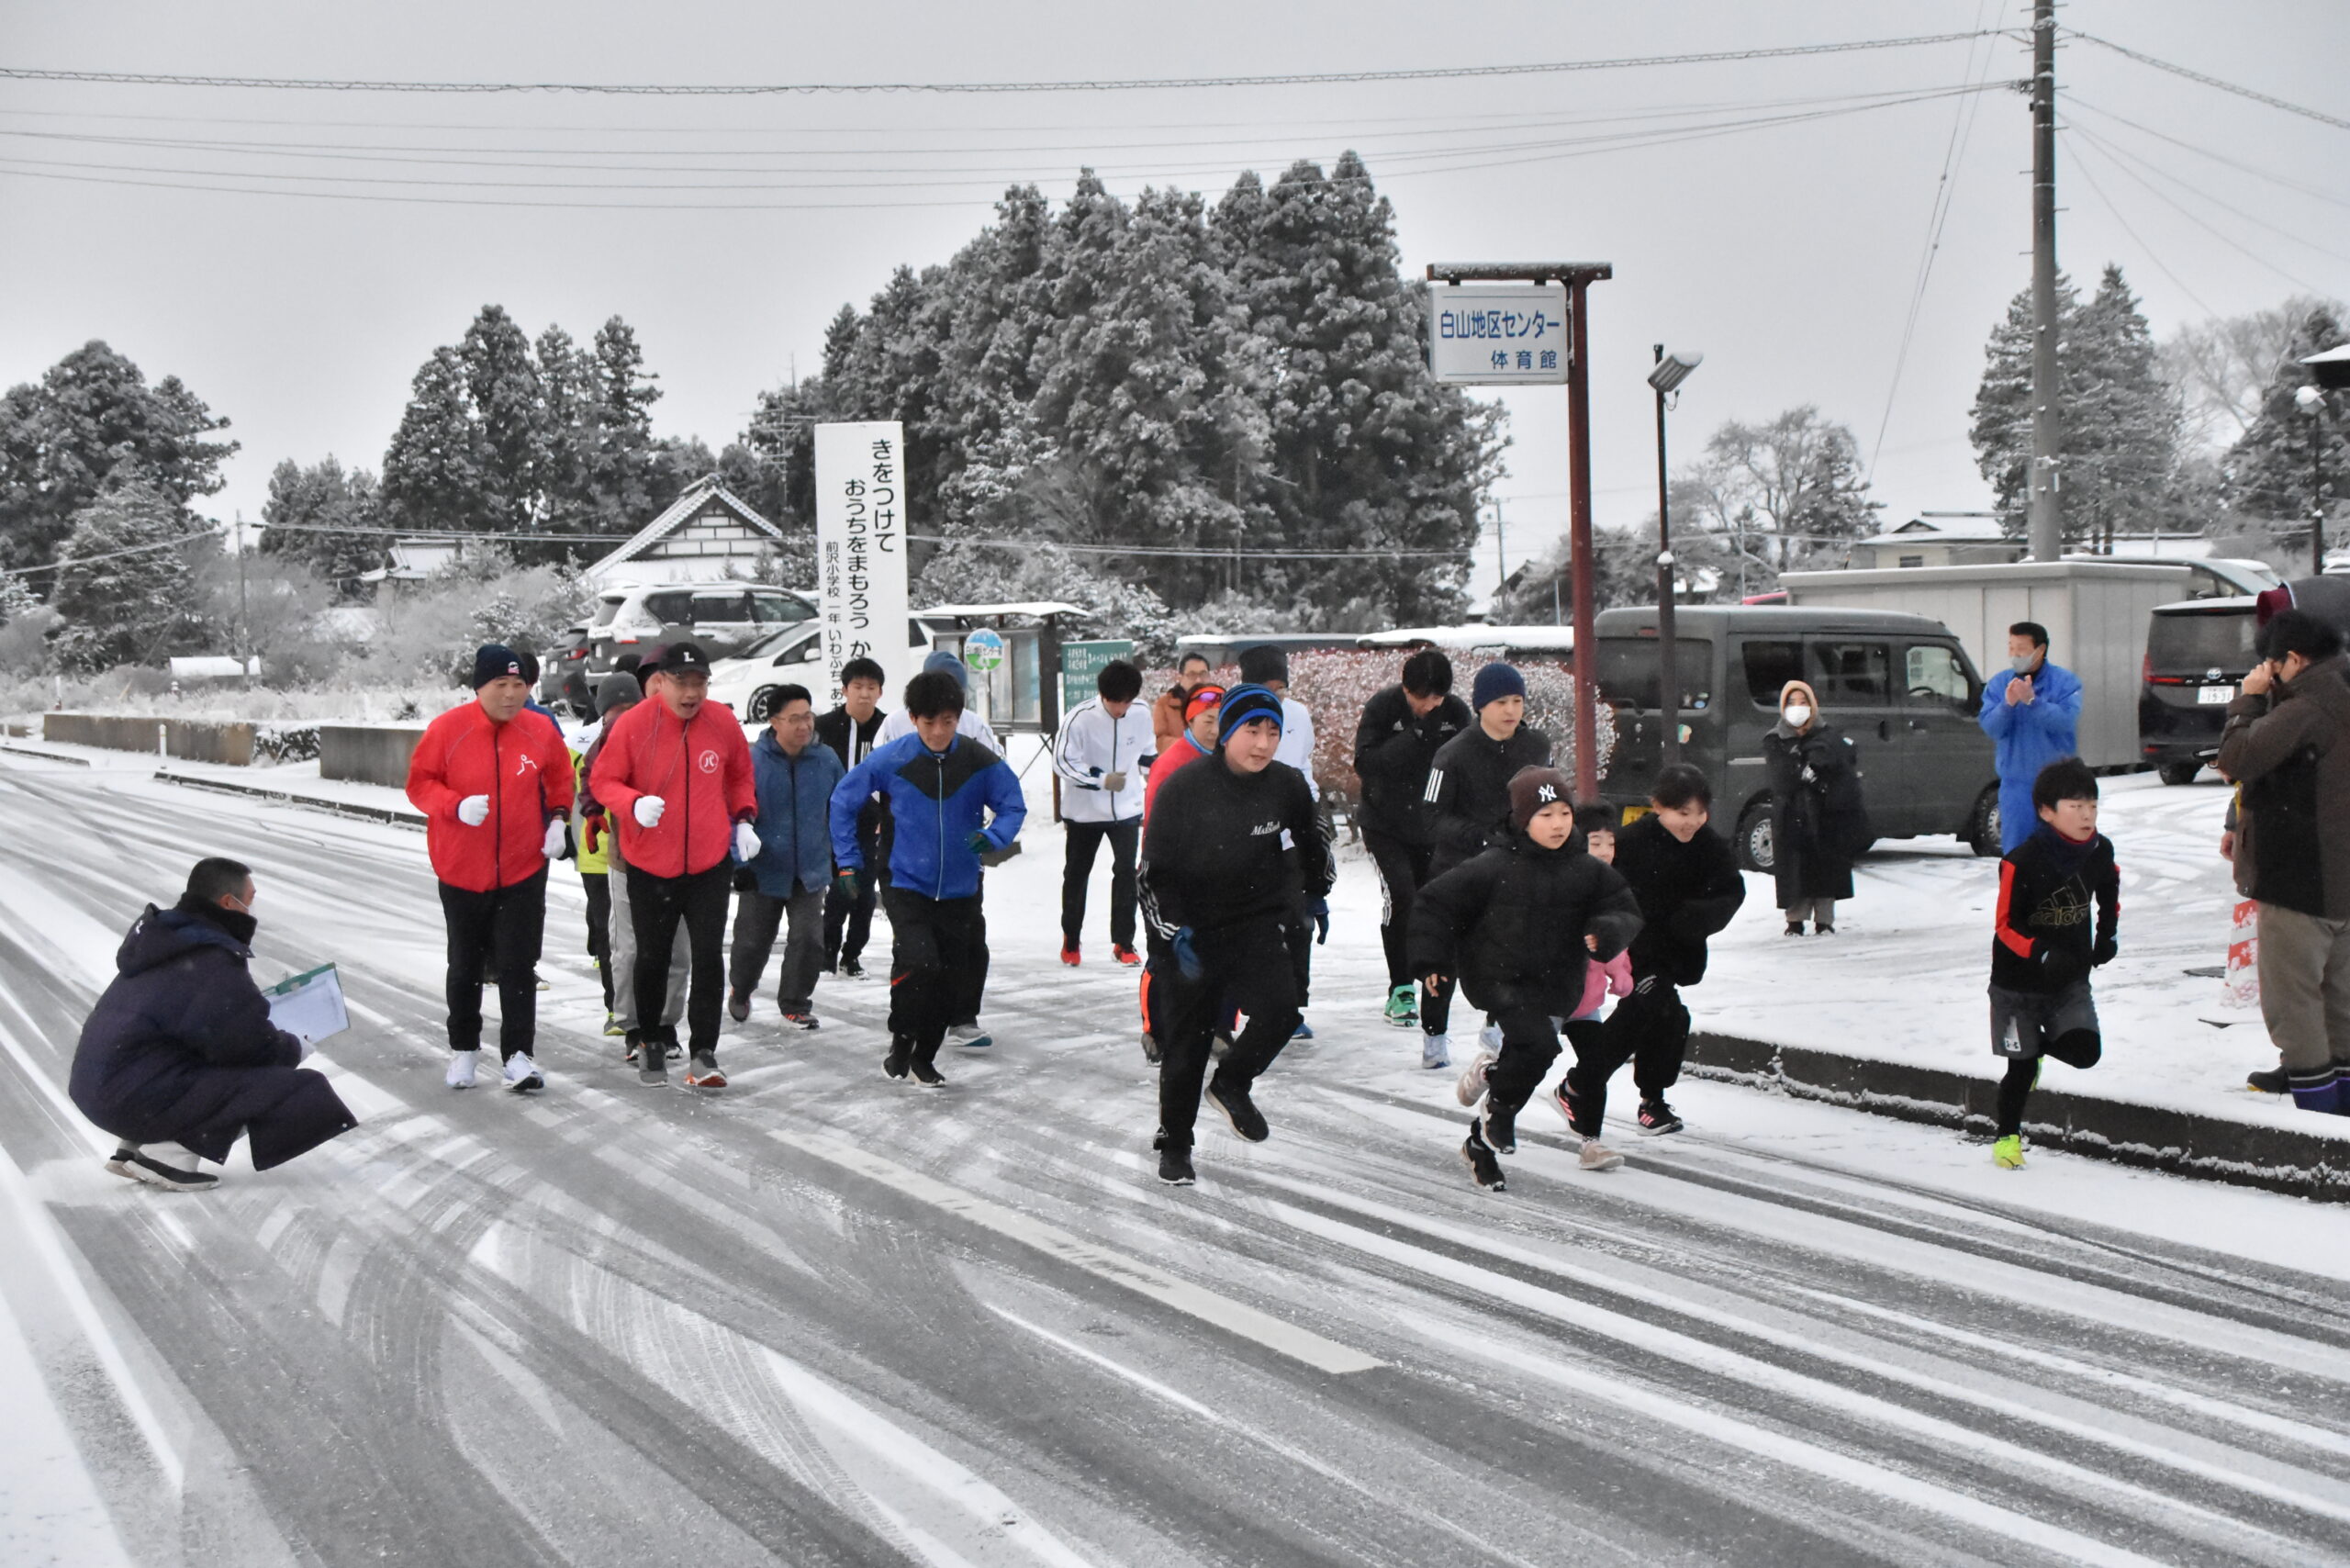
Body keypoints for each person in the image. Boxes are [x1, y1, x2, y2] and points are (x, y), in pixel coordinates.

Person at [1137, 685, 1334, 1187]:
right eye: (1252, 730)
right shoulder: (1183, 789)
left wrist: (1315, 895)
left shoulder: (1286, 785)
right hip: (1192, 933)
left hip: (1253, 923)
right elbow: (1151, 874)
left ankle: (1232, 1084)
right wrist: (1171, 933)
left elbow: (1313, 841)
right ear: (1226, 732)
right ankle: (1175, 1143)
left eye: (1272, 731)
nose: (1263, 743)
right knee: (1188, 1046)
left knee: (1282, 1013)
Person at [1411, 769, 1642, 1193]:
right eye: (1545, 814)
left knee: (1532, 1055)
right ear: (1521, 819)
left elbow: (1623, 908)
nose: (1558, 824)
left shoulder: (1586, 870)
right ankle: (1497, 1111)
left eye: (1564, 813)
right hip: (1501, 979)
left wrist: (1607, 931)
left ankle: (1480, 1142)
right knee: (1538, 1044)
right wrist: (1432, 962)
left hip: (1557, 982)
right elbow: (1433, 904)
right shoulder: (1492, 866)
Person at [69, 858, 359, 1192]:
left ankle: (134, 1146)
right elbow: (245, 1045)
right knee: (289, 1085)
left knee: (192, 1061)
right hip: (127, 1099)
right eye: (249, 900)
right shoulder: (210, 958)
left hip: (99, 1089)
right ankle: (168, 1155)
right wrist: (294, 1046)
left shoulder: (167, 941)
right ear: (227, 903)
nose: (251, 910)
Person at [831, 668, 1026, 1085]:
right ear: (913, 719)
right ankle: (902, 1038)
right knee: (920, 962)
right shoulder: (893, 758)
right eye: (928, 721)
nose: (938, 731)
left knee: (951, 976)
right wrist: (848, 861)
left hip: (961, 886)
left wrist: (994, 836)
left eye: (948, 721)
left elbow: (1013, 805)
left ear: (959, 718)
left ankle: (925, 1056)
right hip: (905, 880)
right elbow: (843, 800)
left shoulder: (978, 759)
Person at [405, 644, 576, 1092]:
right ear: (480, 687)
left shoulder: (540, 730)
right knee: (465, 964)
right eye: (501, 684)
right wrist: (455, 807)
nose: (511, 694)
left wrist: (558, 819)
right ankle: (464, 1049)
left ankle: (519, 1056)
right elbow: (419, 784)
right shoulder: (448, 730)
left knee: (519, 965)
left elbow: (561, 777)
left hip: (523, 868)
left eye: (520, 685)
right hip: (462, 869)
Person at [590, 641, 757, 1091]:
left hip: (708, 864)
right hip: (649, 863)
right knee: (652, 957)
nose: (691, 693)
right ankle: (649, 1043)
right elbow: (602, 779)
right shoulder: (634, 725)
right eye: (681, 683)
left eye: (699, 683)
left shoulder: (722, 722)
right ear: (659, 682)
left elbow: (740, 774)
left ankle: (705, 1052)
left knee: (706, 957)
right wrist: (631, 803)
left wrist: (743, 818)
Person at [1551, 764, 1745, 1140]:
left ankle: (1592, 1089)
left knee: (1666, 1017)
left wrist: (1695, 918)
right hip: (1634, 951)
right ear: (1659, 806)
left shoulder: (1709, 845)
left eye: (1699, 813)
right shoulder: (1635, 842)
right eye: (1682, 813)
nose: (1692, 822)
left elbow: (1731, 892)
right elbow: (1608, 894)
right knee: (1653, 1010)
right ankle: (1611, 1093)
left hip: (1677, 952)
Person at [2216, 608, 2350, 1116]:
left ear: (2293, 659)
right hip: (2339, 877)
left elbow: (2238, 757)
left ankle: (2317, 1118)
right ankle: (2342, 1108)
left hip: (2301, 876)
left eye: (2271, 665)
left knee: (2293, 1003)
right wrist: (2238, 821)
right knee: (2341, 1000)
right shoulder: (2338, 689)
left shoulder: (2311, 704)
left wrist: (2247, 701)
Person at [1983, 757, 2119, 1167]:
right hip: (2016, 985)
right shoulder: (2022, 861)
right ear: (2046, 811)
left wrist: (2107, 933)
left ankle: (2034, 1049)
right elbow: (2005, 925)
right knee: (2019, 1070)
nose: (2087, 815)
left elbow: (2109, 890)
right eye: (2075, 806)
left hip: (2070, 979)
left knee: (2085, 1051)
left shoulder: (2100, 850)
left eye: (2092, 805)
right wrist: (2040, 951)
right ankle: (2007, 1139)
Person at [1419, 662, 1552, 1069]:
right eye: (1501, 702)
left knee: (1511, 951)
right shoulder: (1452, 754)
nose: (1511, 710)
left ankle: (1497, 1024)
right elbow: (1431, 818)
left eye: (1517, 701)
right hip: (1459, 871)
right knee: (1449, 959)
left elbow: (1547, 799)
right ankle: (1434, 1035)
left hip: (1514, 869)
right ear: (1480, 706)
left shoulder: (1536, 746)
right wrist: (1479, 836)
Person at [878, 648, 1003, 1048]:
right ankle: (907, 1022)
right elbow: (874, 781)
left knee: (969, 938)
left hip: (961, 853)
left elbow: (997, 777)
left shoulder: (973, 726)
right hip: (909, 854)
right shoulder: (897, 724)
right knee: (916, 947)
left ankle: (964, 1016)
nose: (941, 724)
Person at [1353, 649, 1472, 1029]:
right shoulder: (1384, 708)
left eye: (1437, 698)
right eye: (1422, 698)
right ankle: (1401, 987)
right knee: (1402, 894)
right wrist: (1416, 736)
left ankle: (1432, 980)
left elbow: (1467, 762)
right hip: (1384, 824)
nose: (1430, 706)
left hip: (1432, 827)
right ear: (1407, 690)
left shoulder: (1455, 713)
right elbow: (1365, 763)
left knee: (1433, 902)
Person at [728, 685, 846, 1031]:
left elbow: (841, 810)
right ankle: (742, 988)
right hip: (763, 869)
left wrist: (842, 856)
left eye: (807, 716)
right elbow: (734, 814)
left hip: (811, 869)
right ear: (774, 722)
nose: (804, 726)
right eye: (794, 719)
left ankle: (795, 1002)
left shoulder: (826, 760)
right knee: (752, 941)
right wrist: (740, 864)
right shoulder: (753, 761)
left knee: (809, 938)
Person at [579, 671, 688, 1049]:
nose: (624, 716)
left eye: (631, 706)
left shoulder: (671, 731)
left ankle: (666, 1023)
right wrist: (593, 814)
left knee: (676, 948)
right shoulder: (604, 743)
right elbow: (590, 778)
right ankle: (632, 1024)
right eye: (615, 710)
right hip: (626, 858)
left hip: (678, 858)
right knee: (628, 946)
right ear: (603, 715)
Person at [1051, 658, 1149, 966]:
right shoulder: (1079, 718)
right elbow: (1062, 763)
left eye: (1126, 703)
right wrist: (1099, 780)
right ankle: (1071, 937)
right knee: (1077, 874)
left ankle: (1123, 941)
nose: (1120, 709)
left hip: (1127, 809)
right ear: (1102, 695)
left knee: (1126, 873)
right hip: (1085, 814)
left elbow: (1148, 755)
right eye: (1114, 702)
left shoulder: (1142, 713)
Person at [1761, 678, 1867, 936]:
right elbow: (1783, 778)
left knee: (1825, 864)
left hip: (1826, 814)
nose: (1798, 708)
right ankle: (1794, 920)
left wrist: (1817, 770)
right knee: (1795, 866)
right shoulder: (1776, 739)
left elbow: (1840, 766)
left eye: (1803, 702)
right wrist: (1806, 771)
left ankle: (1824, 919)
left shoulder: (1829, 737)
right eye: (1792, 703)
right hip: (1791, 814)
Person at [1978, 621, 2082, 853]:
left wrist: (2033, 702)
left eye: (2021, 648)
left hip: (2058, 785)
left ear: (2041, 650)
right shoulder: (2000, 684)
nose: (2014, 654)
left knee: (2059, 853)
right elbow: (1990, 727)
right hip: (2017, 785)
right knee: (2018, 853)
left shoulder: (2065, 683)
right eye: (2011, 647)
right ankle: (2018, 890)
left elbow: (2065, 721)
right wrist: (2008, 705)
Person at [815, 655, 889, 980]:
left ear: (880, 692)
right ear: (844, 690)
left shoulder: (888, 728)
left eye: (871, 687)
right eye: (857, 686)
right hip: (828, 821)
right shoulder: (824, 727)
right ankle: (826, 952)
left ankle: (852, 954)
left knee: (864, 893)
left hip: (869, 823)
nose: (864, 694)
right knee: (838, 888)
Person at [1146, 684, 1223, 818]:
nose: (1215, 731)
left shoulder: (1232, 759)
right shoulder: (1169, 765)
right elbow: (1154, 825)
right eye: (1208, 722)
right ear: (1190, 720)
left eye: (1221, 721)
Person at [1151, 651, 1214, 763]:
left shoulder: (1218, 703)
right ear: (1179, 677)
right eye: (1192, 675)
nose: (1198, 680)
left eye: (1203, 674)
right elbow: (1159, 742)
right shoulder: (1166, 704)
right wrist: (1191, 746)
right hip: (1177, 767)